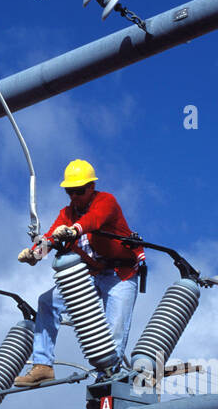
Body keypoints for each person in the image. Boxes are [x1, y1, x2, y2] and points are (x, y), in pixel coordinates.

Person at [13, 159, 145, 385]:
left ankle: (108, 379)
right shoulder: (68, 212)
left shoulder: (106, 201)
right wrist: (35, 254)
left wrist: (74, 230)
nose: (74, 196)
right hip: (92, 276)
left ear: (91, 187)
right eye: (69, 192)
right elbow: (53, 235)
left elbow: (94, 220)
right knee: (47, 302)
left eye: (79, 191)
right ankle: (43, 366)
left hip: (120, 275)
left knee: (112, 332)